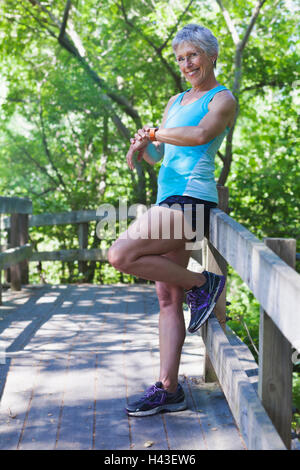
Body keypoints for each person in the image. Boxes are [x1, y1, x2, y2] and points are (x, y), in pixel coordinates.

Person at [108, 24, 236, 417]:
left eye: (193, 55)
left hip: (192, 200)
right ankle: (170, 388)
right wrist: (145, 147)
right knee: (167, 298)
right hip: (168, 197)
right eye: (181, 58)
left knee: (120, 253)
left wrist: (157, 132)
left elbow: (200, 135)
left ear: (211, 55)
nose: (186, 64)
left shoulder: (222, 97)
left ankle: (205, 282)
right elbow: (162, 157)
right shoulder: (175, 99)